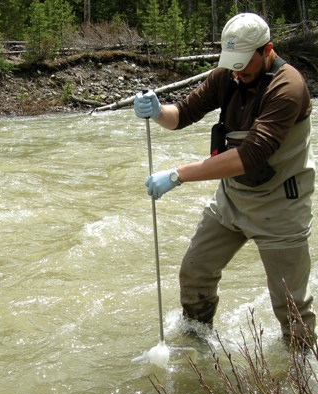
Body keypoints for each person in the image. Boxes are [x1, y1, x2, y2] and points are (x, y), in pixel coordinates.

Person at [133, 12, 316, 343]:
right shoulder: (227, 76)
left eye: (244, 62)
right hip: (232, 200)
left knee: (291, 307)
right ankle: (197, 342)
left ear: (267, 50)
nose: (238, 70)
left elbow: (249, 155)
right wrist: (158, 112)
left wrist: (177, 175)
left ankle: (301, 371)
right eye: (232, 63)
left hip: (281, 207)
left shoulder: (288, 88)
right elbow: (182, 115)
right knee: (195, 273)